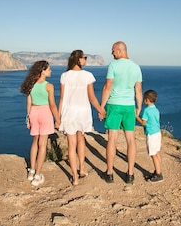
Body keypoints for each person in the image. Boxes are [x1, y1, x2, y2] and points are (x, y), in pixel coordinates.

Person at [59, 50, 106, 186]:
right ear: (79, 59)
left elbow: (62, 98)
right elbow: (92, 97)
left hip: (68, 112)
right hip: (82, 112)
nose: (86, 59)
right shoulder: (88, 76)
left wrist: (58, 117)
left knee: (71, 144)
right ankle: (82, 169)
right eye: (84, 57)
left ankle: (74, 177)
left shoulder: (64, 76)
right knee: (81, 140)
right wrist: (101, 110)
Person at [100, 41, 142, 184]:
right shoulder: (136, 67)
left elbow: (107, 86)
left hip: (114, 105)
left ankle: (110, 173)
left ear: (120, 50)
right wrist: (139, 107)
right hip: (129, 106)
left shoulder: (113, 65)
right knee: (131, 140)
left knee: (112, 139)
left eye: (113, 51)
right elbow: (139, 91)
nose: (111, 53)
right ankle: (130, 174)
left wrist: (101, 107)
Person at [20, 60, 60, 186]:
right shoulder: (49, 86)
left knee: (35, 142)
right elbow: (52, 104)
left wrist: (28, 118)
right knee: (43, 144)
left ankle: (31, 172)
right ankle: (37, 176)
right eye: (48, 69)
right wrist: (58, 119)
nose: (50, 71)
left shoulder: (31, 84)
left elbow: (28, 102)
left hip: (33, 112)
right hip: (45, 113)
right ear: (42, 71)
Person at [136, 89, 163, 182]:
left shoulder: (146, 110)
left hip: (151, 134)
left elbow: (143, 123)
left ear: (147, 99)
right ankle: (158, 170)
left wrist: (136, 117)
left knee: (153, 154)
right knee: (157, 152)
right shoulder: (156, 109)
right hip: (157, 133)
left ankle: (158, 174)